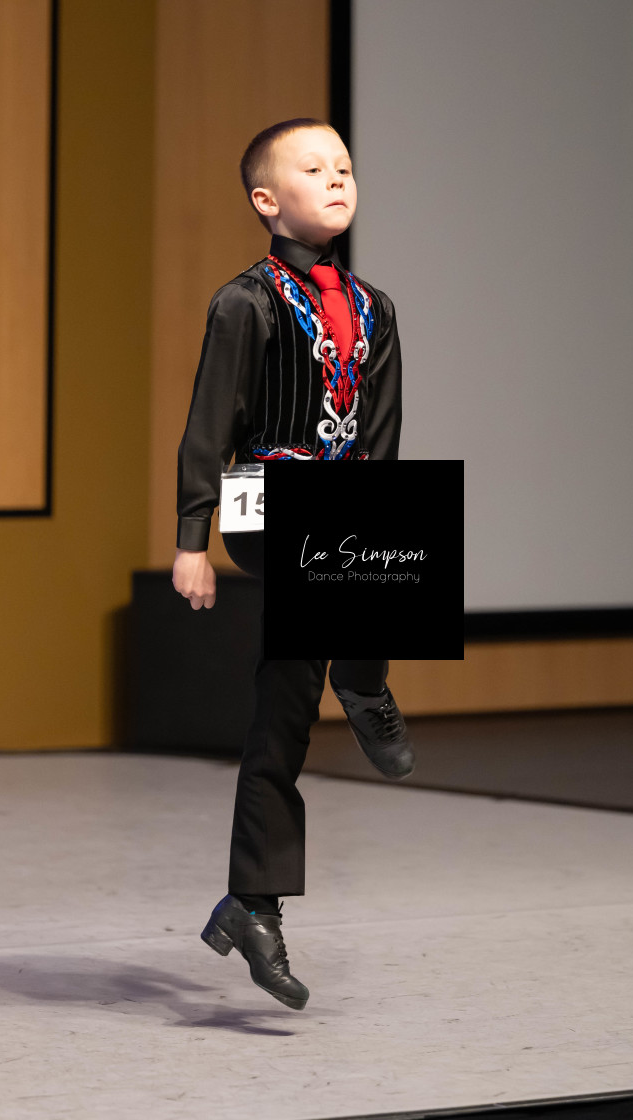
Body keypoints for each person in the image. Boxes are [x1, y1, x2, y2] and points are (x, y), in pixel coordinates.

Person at [172, 119, 414, 1011]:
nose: (337, 177)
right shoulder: (246, 303)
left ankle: (252, 902)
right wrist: (191, 540)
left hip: (337, 514)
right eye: (314, 168)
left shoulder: (377, 307)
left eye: (344, 165)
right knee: (335, 561)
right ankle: (364, 678)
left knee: (285, 703)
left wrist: (385, 530)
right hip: (266, 499)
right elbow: (209, 424)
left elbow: (381, 437)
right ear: (267, 200)